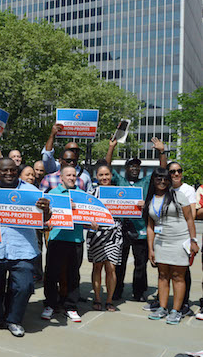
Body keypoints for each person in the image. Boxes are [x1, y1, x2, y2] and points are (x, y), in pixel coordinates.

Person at [0, 158, 51, 336]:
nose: (9, 174)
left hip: (23, 248)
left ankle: (14, 319)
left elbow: (44, 220)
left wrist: (46, 210)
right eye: (4, 171)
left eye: (12, 170)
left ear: (17, 171)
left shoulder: (32, 191)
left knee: (24, 287)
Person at [105, 137, 167, 302]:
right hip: (122, 230)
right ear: (126, 168)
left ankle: (138, 292)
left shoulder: (146, 181)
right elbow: (106, 167)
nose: (134, 168)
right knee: (120, 263)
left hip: (141, 230)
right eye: (131, 165)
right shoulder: (120, 181)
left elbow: (162, 170)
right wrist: (111, 147)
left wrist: (162, 151)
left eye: (137, 166)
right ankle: (117, 291)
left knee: (141, 264)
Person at [145, 167, 198, 324]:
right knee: (162, 276)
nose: (162, 182)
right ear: (153, 181)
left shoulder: (178, 195)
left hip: (179, 241)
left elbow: (189, 219)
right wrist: (150, 248)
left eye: (165, 179)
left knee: (178, 276)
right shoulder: (151, 199)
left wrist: (193, 240)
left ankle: (176, 310)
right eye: (158, 179)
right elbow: (150, 226)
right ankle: (162, 307)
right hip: (161, 242)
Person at [41, 165, 93, 323]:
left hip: (76, 240)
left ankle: (71, 307)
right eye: (68, 175)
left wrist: (92, 223)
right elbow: (46, 217)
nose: (71, 178)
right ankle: (50, 305)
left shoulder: (82, 195)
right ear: (61, 178)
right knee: (51, 274)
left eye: (74, 175)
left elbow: (88, 217)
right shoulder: (52, 194)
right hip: (57, 239)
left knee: (73, 275)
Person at [87, 164, 127, 312]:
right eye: (101, 175)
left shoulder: (118, 192)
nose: (104, 178)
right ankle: (97, 298)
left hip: (114, 234)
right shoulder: (91, 193)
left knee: (111, 268)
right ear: (97, 177)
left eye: (107, 175)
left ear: (111, 176)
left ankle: (109, 300)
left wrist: (138, 205)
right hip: (96, 234)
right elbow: (85, 213)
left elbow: (130, 207)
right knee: (97, 267)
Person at [168, 161, 197, 316]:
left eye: (179, 171)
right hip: (167, 236)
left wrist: (193, 239)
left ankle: (184, 303)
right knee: (166, 271)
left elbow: (191, 215)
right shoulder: (166, 189)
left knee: (183, 272)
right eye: (172, 172)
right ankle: (164, 301)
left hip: (183, 236)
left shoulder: (188, 190)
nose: (176, 174)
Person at [41, 123, 92, 192]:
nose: (71, 162)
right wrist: (52, 135)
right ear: (60, 160)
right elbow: (46, 157)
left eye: (77, 151)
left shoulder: (83, 176)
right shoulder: (53, 171)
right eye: (68, 160)